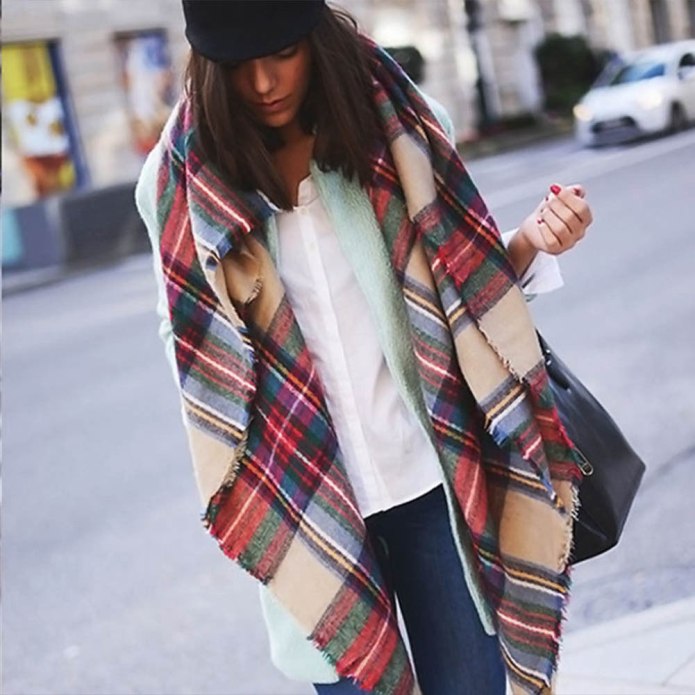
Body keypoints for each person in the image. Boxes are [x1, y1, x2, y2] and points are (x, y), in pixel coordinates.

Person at [135, 3, 593, 694]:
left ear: (315, 38)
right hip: (308, 500)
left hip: (429, 480)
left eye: (282, 52)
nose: (263, 83)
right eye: (237, 65)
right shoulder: (178, 185)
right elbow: (193, 353)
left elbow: (460, 290)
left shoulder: (401, 128)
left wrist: (530, 241)